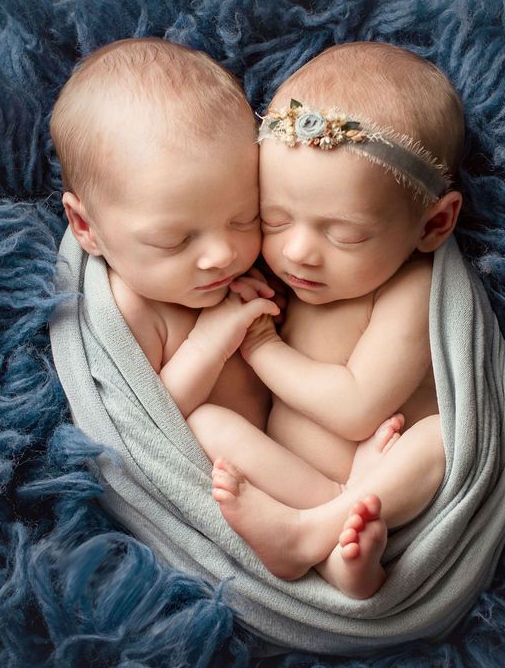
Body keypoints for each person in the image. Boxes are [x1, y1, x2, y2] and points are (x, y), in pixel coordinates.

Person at [189, 41, 466, 599]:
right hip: (297, 479)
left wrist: (263, 345)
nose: (298, 253)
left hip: (386, 480)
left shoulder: (410, 287)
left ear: (433, 225)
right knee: (205, 422)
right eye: (274, 219)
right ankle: (332, 543)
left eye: (345, 234)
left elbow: (357, 408)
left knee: (441, 436)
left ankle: (315, 533)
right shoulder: (282, 277)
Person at [50, 38, 281, 430]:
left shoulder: (247, 270)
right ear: (86, 226)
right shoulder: (133, 307)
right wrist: (209, 342)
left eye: (245, 218)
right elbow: (145, 425)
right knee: (213, 426)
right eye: (174, 241)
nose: (222, 253)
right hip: (219, 477)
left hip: (298, 445)